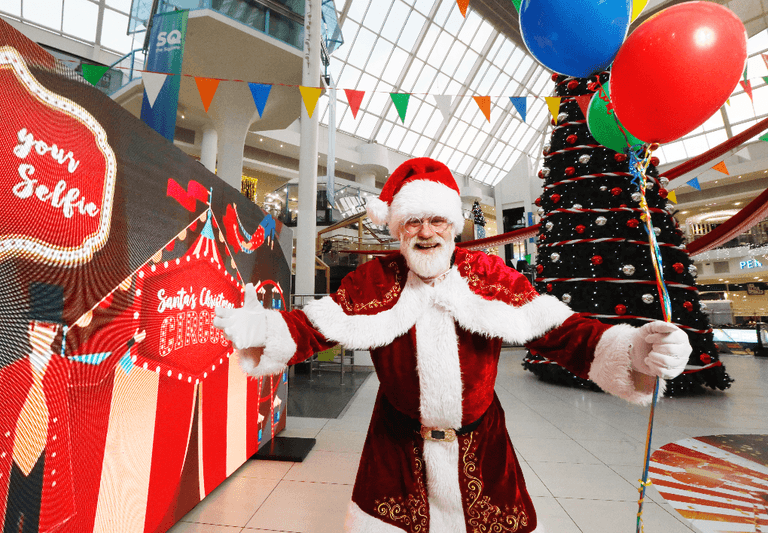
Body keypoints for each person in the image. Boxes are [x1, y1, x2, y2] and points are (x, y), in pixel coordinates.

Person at [214, 158, 691, 533]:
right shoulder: (374, 280)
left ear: (453, 225)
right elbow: (312, 328)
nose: (426, 232)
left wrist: (632, 351)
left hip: (484, 448)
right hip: (395, 449)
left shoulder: (490, 276)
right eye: (413, 221)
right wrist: (265, 330)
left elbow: (562, 332)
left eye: (437, 220)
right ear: (397, 228)